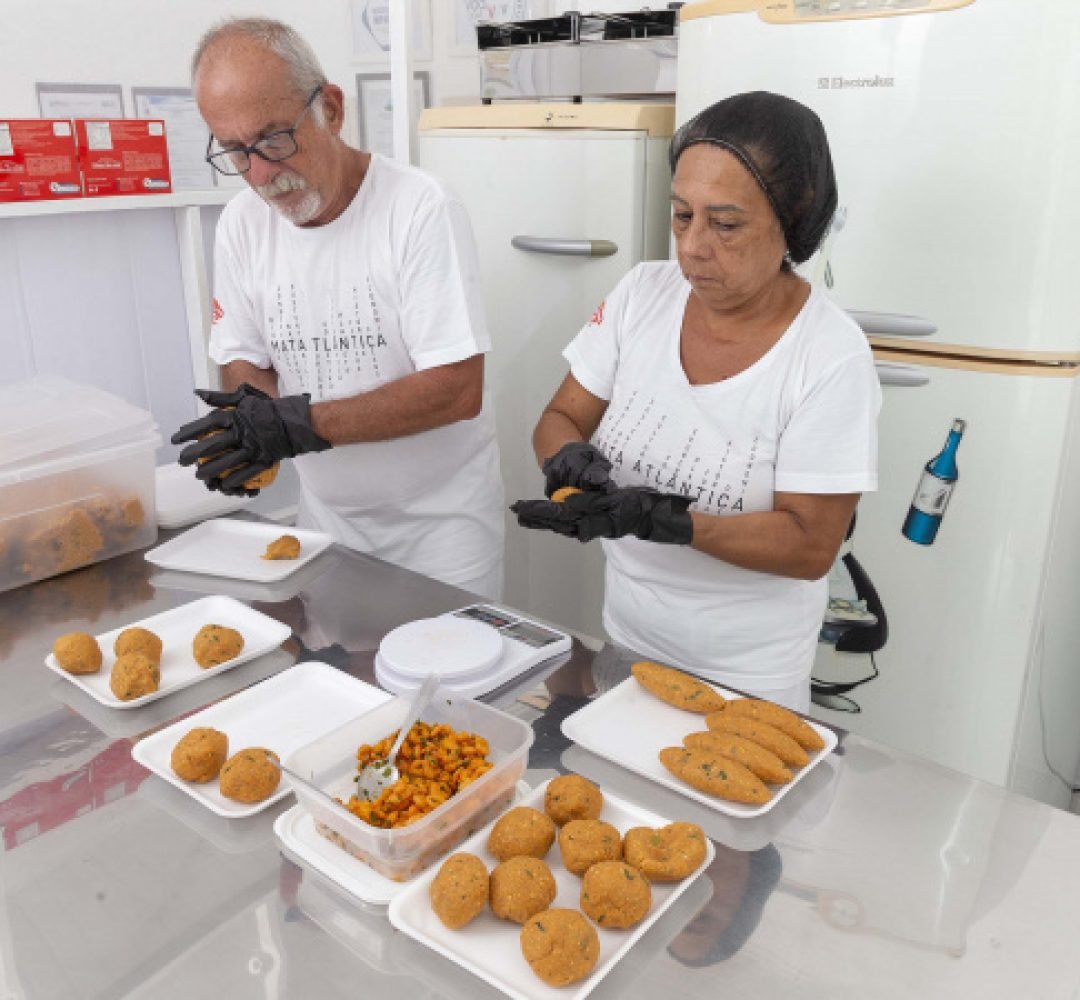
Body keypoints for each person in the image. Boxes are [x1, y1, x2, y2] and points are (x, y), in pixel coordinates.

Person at [512, 91, 881, 712]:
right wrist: (568, 461)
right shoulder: (642, 295)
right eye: (682, 215)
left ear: (794, 219)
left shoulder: (829, 354)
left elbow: (810, 545)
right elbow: (561, 417)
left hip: (748, 683)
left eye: (726, 224)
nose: (692, 246)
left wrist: (665, 520)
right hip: (628, 643)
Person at [171, 17, 505, 599]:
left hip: (442, 531)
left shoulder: (418, 210)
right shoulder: (242, 226)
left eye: (275, 139)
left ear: (330, 107)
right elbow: (244, 357)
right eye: (235, 151)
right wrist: (253, 424)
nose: (262, 175)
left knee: (446, 686)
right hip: (326, 523)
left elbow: (457, 388)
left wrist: (299, 426)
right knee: (344, 682)